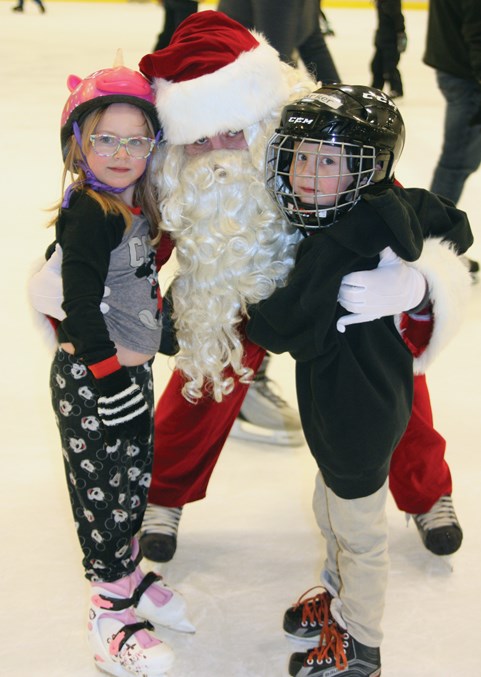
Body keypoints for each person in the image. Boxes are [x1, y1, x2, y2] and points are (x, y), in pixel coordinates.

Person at [136, 10, 470, 565]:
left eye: (235, 130)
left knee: (393, 381)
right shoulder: (169, 174)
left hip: (333, 281)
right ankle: (163, 494)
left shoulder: (319, 137)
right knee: (206, 372)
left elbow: (402, 211)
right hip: (233, 287)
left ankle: (428, 492)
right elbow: (140, 249)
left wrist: (414, 283)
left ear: (266, 114)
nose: (220, 151)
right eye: (200, 139)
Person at [245, 84, 472, 676]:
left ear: (367, 170)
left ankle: (361, 642)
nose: (306, 173)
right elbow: (454, 221)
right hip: (359, 402)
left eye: (328, 161)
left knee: (359, 534)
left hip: (356, 414)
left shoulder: (335, 242)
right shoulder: (380, 206)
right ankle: (339, 601)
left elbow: (284, 328)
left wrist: (247, 305)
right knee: (332, 511)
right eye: (299, 155)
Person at [28, 58, 193, 677]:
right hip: (94, 382)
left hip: (128, 376)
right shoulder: (90, 214)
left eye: (136, 140)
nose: (122, 153)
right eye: (106, 139)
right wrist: (107, 378)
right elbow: (78, 305)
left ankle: (127, 571)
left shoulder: (135, 208)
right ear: (80, 144)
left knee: (131, 487)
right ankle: (108, 609)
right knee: (102, 497)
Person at [424, 0, 481, 277]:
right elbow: (478, 30)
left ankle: (431, 244)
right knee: (456, 163)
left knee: (459, 163)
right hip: (467, 76)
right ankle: (430, 247)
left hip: (457, 65)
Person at [217, 0, 340, 84]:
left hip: (243, 80)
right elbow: (277, 64)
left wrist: (340, 97)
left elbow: (312, 42)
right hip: (233, 83)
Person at [370, 0, 407, 99]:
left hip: (391, 41)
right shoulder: (382, 2)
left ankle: (397, 89)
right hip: (382, 39)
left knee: (390, 67)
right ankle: (375, 88)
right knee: (376, 65)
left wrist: (401, 36)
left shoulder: (391, 3)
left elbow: (398, 19)